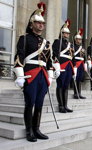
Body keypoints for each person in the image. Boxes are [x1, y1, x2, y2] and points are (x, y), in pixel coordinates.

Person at [14, 2, 52, 142]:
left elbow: (49, 62)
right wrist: (20, 75)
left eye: (42, 23)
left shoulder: (46, 43)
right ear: (32, 24)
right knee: (30, 102)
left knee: (40, 102)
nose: (41, 25)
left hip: (42, 75)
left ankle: (37, 129)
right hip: (30, 74)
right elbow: (19, 57)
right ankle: (29, 130)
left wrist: (51, 75)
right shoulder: (24, 38)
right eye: (38, 22)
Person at [52, 19, 75, 113]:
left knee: (66, 85)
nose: (67, 35)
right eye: (65, 33)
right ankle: (60, 105)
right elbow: (54, 54)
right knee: (60, 84)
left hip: (69, 65)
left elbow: (72, 57)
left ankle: (65, 105)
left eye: (68, 33)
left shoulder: (70, 44)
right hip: (62, 65)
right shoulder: (58, 42)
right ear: (62, 33)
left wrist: (74, 68)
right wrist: (56, 65)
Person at [72, 28, 86, 99]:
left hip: (81, 63)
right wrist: (74, 65)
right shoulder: (73, 47)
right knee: (76, 78)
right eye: (78, 39)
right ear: (75, 40)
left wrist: (85, 63)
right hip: (76, 63)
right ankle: (75, 93)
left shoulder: (82, 47)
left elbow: (84, 56)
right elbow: (72, 57)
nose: (80, 40)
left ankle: (79, 92)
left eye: (80, 39)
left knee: (80, 79)